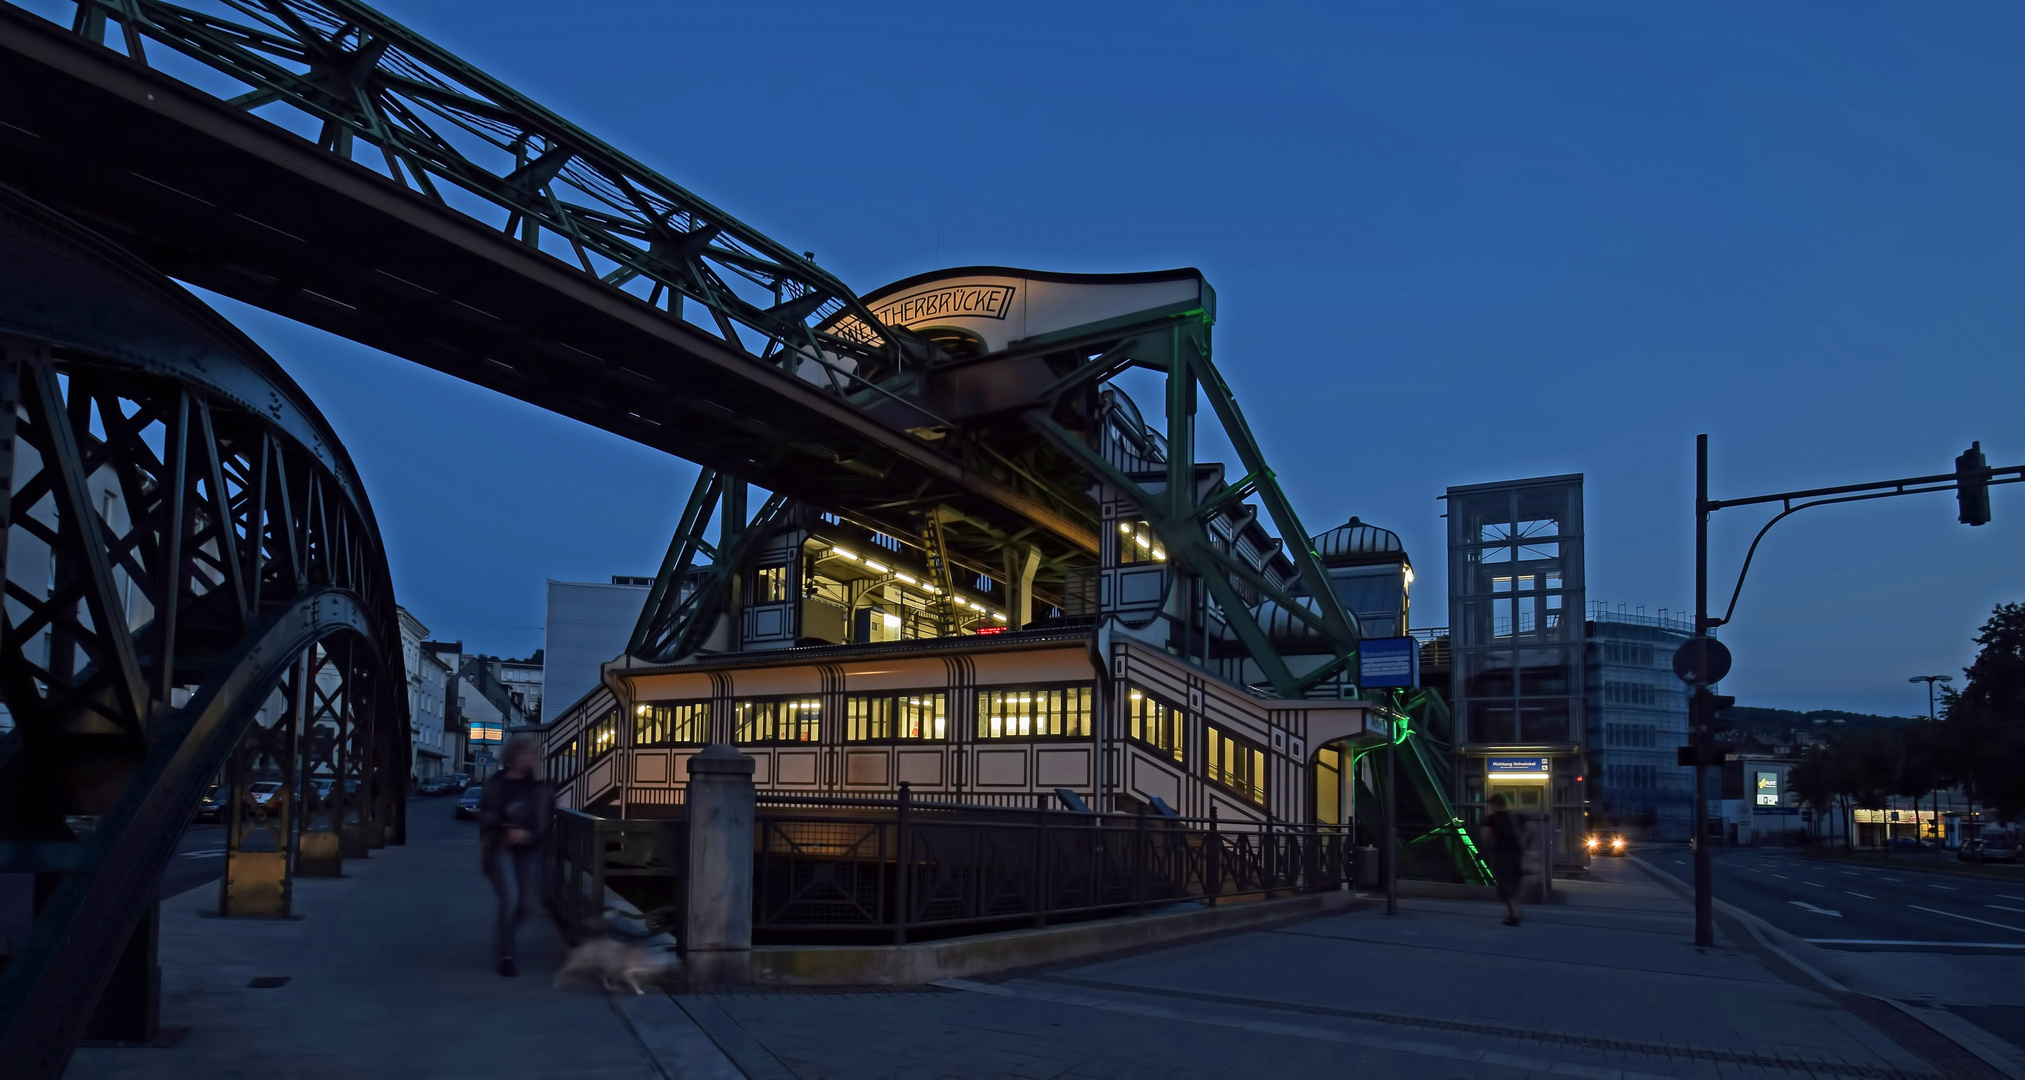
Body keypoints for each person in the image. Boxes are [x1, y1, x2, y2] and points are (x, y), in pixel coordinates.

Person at [478, 734, 552, 976]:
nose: (525, 760)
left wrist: (528, 835)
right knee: (511, 898)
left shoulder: (538, 788)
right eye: (521, 755)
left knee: (527, 906)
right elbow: (486, 814)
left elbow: (544, 820)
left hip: (530, 851)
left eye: (530, 755)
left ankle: (503, 934)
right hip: (502, 849)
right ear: (511, 756)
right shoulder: (497, 783)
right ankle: (505, 955)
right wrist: (506, 829)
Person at [1482, 791, 1526, 926]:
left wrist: (1488, 850)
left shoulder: (1492, 819)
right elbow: (1533, 830)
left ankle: (1514, 915)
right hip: (1516, 855)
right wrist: (1525, 846)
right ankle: (1513, 912)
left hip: (1501, 855)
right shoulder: (1516, 817)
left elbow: (1485, 837)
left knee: (1506, 885)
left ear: (1495, 804)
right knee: (1514, 883)